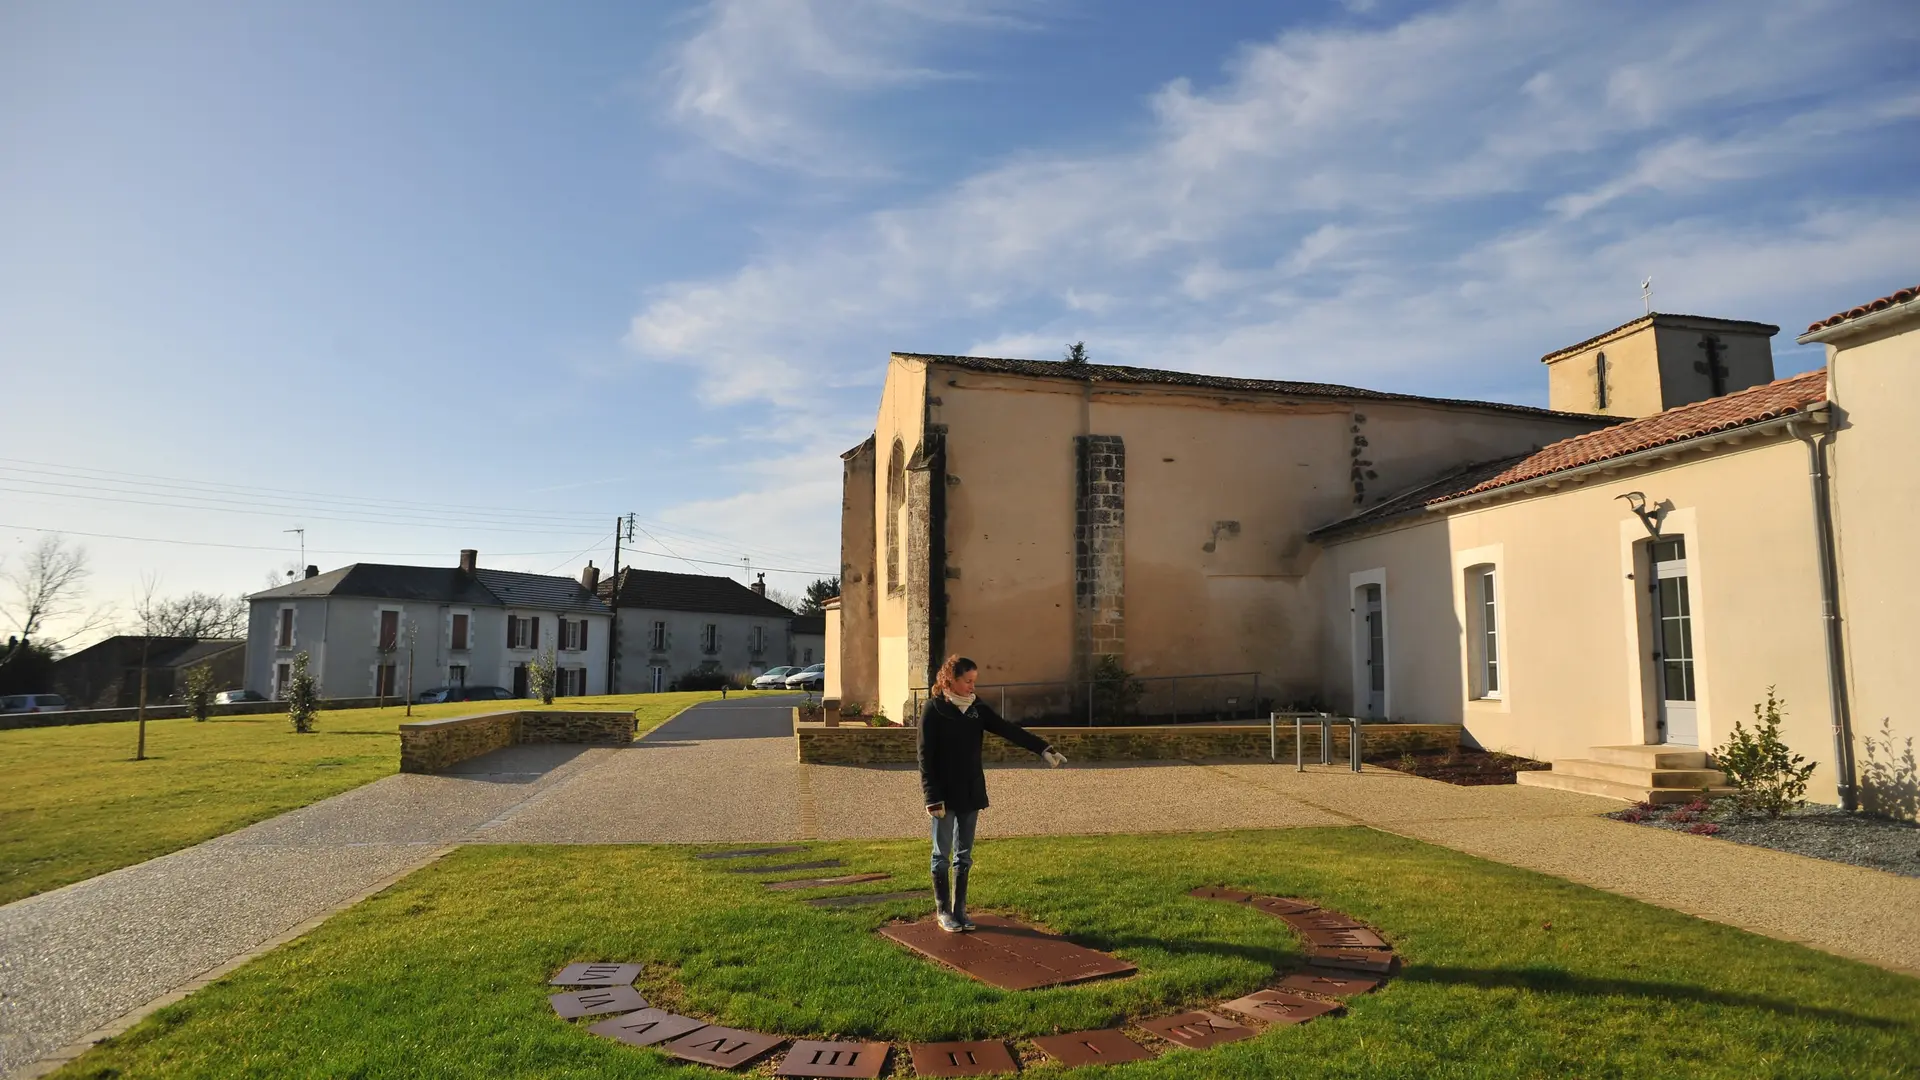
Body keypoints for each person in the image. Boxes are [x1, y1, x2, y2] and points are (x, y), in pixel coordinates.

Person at [918, 655, 1068, 933]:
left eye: (975, 681)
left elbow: (1008, 730)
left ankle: (960, 911)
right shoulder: (934, 709)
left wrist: (1043, 749)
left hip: (971, 791)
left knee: (963, 855)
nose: (973, 687)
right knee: (941, 854)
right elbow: (925, 758)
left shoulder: (977, 709)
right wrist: (931, 797)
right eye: (968, 681)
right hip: (943, 795)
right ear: (950, 679)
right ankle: (943, 911)